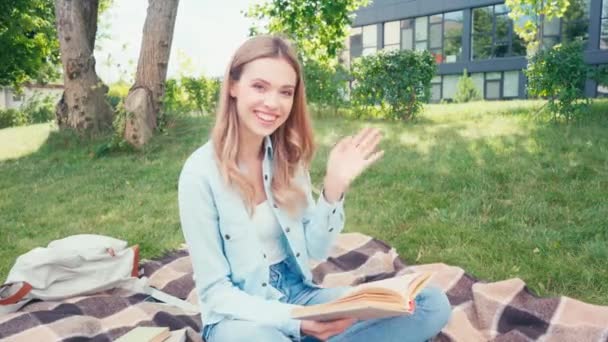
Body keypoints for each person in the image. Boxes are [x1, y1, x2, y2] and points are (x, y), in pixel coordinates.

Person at [178, 35, 451, 342]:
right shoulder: (199, 173)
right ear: (233, 86)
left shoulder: (288, 159)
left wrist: (333, 189)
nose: (272, 103)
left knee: (428, 303)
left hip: (299, 294)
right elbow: (216, 294)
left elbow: (316, 250)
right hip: (240, 316)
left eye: (285, 92)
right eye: (259, 86)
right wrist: (297, 323)